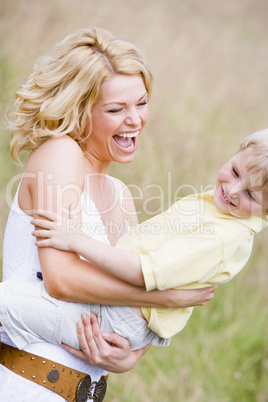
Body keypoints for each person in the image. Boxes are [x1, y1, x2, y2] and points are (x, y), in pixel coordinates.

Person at [0, 28, 216, 402]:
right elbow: (61, 279)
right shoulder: (60, 154)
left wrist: (132, 355)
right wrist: (165, 299)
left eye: (142, 103)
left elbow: (130, 298)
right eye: (116, 109)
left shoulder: (119, 194)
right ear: (80, 109)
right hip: (29, 385)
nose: (135, 120)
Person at [1, 129, 267, 354]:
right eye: (234, 171)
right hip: (121, 312)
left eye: (250, 196)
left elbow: (145, 272)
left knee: (7, 304)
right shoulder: (218, 211)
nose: (232, 190)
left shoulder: (222, 237)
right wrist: (171, 299)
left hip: (117, 318)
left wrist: (75, 239)